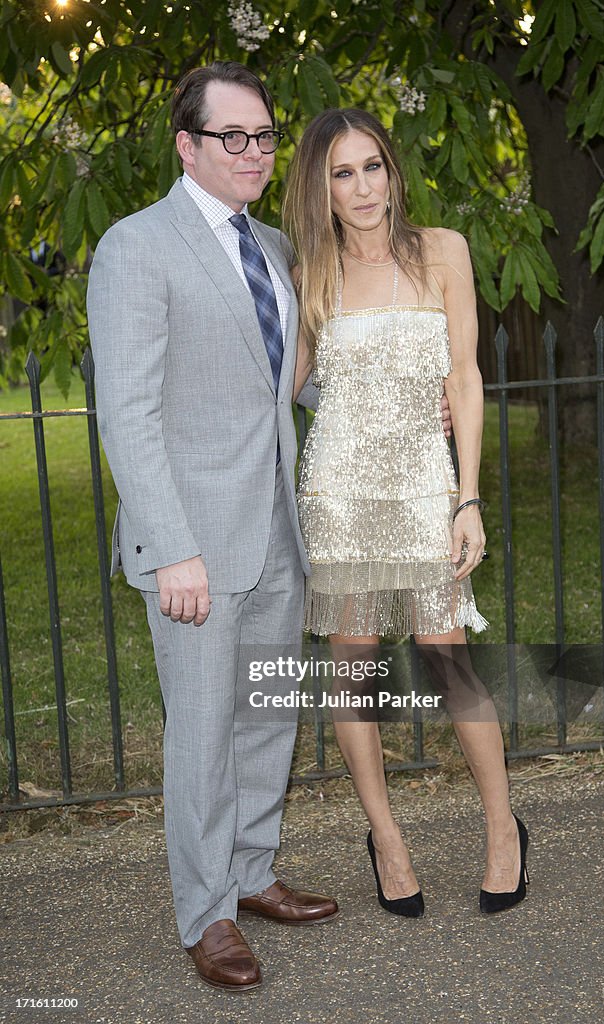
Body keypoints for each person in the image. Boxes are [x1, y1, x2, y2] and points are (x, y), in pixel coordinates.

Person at [86, 62, 339, 994]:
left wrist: (385, 399)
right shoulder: (135, 247)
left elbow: (288, 377)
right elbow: (130, 413)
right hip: (194, 543)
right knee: (200, 729)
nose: (256, 152)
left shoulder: (271, 242)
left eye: (266, 135)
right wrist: (171, 546)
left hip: (277, 528)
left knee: (267, 709)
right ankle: (208, 914)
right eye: (234, 136)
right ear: (187, 145)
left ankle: (253, 870)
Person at [283, 108, 529, 918]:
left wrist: (468, 497)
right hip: (340, 492)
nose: (362, 188)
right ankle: (385, 838)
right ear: (320, 189)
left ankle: (502, 831)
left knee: (446, 659)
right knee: (353, 671)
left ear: (393, 170)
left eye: (372, 167)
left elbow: (465, 377)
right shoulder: (308, 274)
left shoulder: (445, 251)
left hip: (427, 486)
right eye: (341, 174)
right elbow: (286, 386)